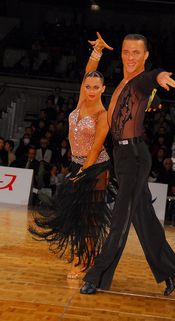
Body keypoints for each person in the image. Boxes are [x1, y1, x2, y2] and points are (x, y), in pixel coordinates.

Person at [81, 34, 175, 296]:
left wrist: (159, 76)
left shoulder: (142, 80)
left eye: (136, 52)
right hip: (122, 156)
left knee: (120, 218)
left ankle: (96, 276)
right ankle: (168, 269)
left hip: (135, 158)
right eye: (127, 52)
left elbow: (152, 79)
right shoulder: (122, 84)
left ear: (146, 56)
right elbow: (90, 83)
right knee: (143, 218)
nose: (130, 57)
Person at [29, 32, 114, 279]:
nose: (90, 90)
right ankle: (82, 257)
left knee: (88, 218)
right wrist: (97, 51)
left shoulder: (102, 114)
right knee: (75, 217)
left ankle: (83, 261)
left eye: (95, 87)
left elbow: (96, 147)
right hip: (78, 165)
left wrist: (83, 174)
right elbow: (89, 71)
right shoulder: (81, 101)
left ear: (103, 89)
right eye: (87, 86)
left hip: (96, 169)